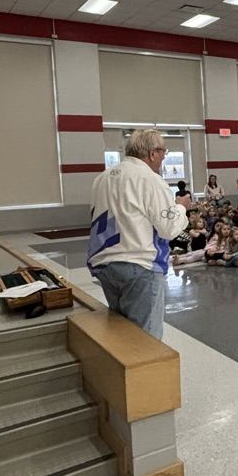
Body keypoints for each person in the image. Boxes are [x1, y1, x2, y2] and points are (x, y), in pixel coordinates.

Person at [88, 129, 187, 339]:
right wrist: (181, 207)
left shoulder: (102, 179)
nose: (164, 157)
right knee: (145, 342)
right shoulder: (150, 180)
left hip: (105, 264)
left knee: (123, 335)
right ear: (152, 153)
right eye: (163, 152)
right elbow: (169, 228)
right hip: (139, 264)